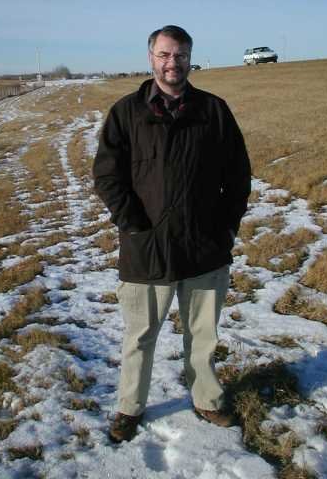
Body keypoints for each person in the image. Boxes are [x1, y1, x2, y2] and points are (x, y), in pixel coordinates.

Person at [93, 25, 251, 443]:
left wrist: (225, 228)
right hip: (147, 248)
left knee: (202, 334)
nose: (172, 63)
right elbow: (107, 177)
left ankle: (206, 399)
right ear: (151, 58)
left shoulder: (214, 110)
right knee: (140, 336)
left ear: (190, 58)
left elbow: (238, 177)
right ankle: (130, 407)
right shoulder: (126, 112)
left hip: (205, 247)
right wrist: (132, 225)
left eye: (180, 55)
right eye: (164, 55)